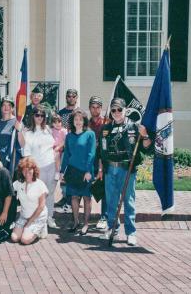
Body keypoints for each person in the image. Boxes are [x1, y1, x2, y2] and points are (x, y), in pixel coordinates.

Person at [99, 98, 151, 246]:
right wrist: (102, 168)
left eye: (119, 110)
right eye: (113, 110)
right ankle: (112, 228)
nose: (116, 113)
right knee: (111, 201)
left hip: (126, 169)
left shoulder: (134, 127)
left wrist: (145, 134)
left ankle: (131, 232)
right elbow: (101, 151)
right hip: (110, 168)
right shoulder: (106, 129)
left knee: (128, 200)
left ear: (125, 110)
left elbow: (147, 146)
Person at [18, 105, 57, 228]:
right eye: (37, 115)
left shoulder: (49, 130)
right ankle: (37, 218)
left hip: (50, 165)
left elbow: (56, 147)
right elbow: (26, 151)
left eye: (42, 115)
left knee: (50, 193)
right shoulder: (28, 132)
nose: (40, 117)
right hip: (38, 168)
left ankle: (49, 216)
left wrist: (57, 168)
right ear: (33, 116)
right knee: (37, 195)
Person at [59, 108, 96, 235]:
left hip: (86, 171)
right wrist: (61, 171)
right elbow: (67, 154)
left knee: (86, 197)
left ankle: (86, 224)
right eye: (76, 119)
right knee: (74, 197)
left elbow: (92, 154)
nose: (78, 122)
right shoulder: (69, 136)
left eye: (81, 119)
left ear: (84, 121)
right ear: (72, 121)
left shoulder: (90, 134)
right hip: (72, 171)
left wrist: (87, 171)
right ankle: (76, 222)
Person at [11, 157, 49, 245]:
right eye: (24, 170)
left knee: (24, 240)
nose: (27, 172)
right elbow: (7, 189)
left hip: (37, 217)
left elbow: (41, 207)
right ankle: (26, 229)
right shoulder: (18, 183)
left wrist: (29, 222)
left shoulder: (40, 185)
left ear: (34, 170)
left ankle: (42, 227)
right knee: (14, 238)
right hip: (24, 216)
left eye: (29, 170)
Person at [88, 96, 108, 230]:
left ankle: (104, 217)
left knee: (104, 189)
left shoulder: (106, 123)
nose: (95, 110)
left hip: (102, 160)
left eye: (98, 107)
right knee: (86, 189)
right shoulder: (85, 123)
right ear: (89, 108)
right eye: (93, 107)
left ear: (101, 108)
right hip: (88, 161)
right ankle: (85, 218)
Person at [0, 96, 22, 171]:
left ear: (13, 108)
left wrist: (19, 130)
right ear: (1, 107)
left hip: (12, 160)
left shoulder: (18, 122)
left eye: (9, 105)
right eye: (4, 105)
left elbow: (23, 144)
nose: (6, 107)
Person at [51, 114, 67, 182]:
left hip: (60, 148)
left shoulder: (63, 130)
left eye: (59, 122)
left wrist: (58, 147)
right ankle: (54, 172)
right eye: (55, 122)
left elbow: (65, 141)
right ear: (52, 124)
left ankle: (58, 171)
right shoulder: (51, 130)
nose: (57, 124)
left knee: (57, 154)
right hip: (52, 148)